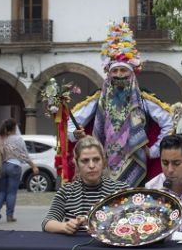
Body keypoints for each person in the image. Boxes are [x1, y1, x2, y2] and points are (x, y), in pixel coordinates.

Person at [67, 22, 173, 186]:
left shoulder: (145, 99)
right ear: (109, 74)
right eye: (114, 71)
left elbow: (170, 122)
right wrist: (76, 134)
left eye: (123, 70)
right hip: (104, 167)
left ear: (131, 73)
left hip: (136, 165)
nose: (119, 75)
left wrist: (153, 151)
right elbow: (71, 123)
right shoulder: (97, 99)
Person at [0, 118, 38, 224]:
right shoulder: (18, 139)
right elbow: (24, 155)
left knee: (2, 192)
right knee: (11, 193)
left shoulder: (1, 138)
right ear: (14, 128)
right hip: (14, 167)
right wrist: (33, 166)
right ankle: (9, 216)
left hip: (2, 167)